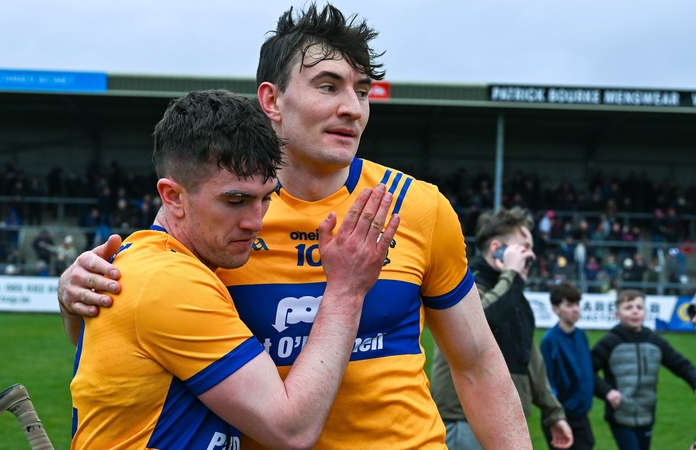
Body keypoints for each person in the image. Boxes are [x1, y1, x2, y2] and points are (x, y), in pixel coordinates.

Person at [59, 4, 531, 448]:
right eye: (328, 86)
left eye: (362, 91)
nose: (353, 108)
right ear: (272, 99)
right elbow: (138, 336)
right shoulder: (221, 223)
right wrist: (76, 297)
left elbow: (478, 365)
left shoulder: (417, 207)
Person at [70, 90, 400, 449]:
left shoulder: (153, 263)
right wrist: (346, 290)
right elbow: (292, 429)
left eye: (266, 197)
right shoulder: (168, 281)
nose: (255, 222)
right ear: (173, 196)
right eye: (236, 200)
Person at [430, 207, 573, 450]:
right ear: (497, 248)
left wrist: (553, 413)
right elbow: (481, 322)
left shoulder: (514, 293)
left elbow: (530, 358)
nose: (531, 255)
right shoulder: (464, 285)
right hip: (465, 418)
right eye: (524, 248)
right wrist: (512, 274)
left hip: (506, 418)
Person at [592, 289, 696, 450]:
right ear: (617, 315)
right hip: (620, 415)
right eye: (628, 307)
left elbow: (682, 365)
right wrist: (607, 392)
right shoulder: (609, 343)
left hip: (646, 414)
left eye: (639, 307)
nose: (635, 311)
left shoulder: (655, 342)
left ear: (645, 313)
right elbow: (587, 372)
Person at [541, 282, 595, 450]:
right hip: (561, 415)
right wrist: (556, 413)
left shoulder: (581, 335)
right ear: (555, 309)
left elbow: (586, 373)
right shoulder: (550, 340)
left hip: (580, 414)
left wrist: (586, 402)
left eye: (577, 304)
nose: (576, 309)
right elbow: (547, 381)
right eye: (570, 305)